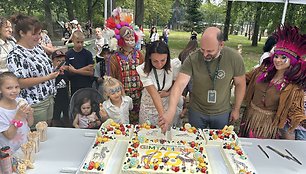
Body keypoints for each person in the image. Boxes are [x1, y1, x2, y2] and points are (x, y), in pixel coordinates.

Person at [159, 27, 246, 133]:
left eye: (210, 51)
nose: (205, 55)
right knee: (195, 142)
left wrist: (236, 109)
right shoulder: (193, 58)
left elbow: (240, 84)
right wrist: (171, 111)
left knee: (219, 141)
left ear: (221, 45)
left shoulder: (234, 58)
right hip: (197, 111)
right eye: (202, 49)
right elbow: (179, 85)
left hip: (222, 112)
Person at [239, 25, 306, 140]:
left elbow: (296, 111)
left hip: (268, 126)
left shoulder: (293, 87)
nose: (278, 60)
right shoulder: (261, 71)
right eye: (276, 56)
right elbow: (243, 79)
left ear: (293, 61)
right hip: (249, 118)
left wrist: (302, 121)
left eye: (283, 57)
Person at [7, 14, 58, 127]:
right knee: (37, 134)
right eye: (34, 34)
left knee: (46, 130)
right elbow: (20, 82)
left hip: (49, 97)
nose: (38, 37)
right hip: (35, 103)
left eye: (39, 33)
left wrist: (55, 70)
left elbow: (43, 69)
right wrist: (48, 77)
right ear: (22, 33)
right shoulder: (15, 55)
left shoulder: (37, 48)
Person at [106, 12, 144, 124]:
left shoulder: (140, 55)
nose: (131, 37)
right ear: (120, 39)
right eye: (127, 35)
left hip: (139, 96)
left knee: (137, 123)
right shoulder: (114, 58)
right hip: (122, 98)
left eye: (132, 35)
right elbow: (110, 79)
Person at [136, 41, 183, 126]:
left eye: (163, 60)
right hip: (149, 107)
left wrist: (168, 93)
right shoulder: (143, 69)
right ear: (149, 57)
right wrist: (163, 117)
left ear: (167, 57)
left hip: (167, 105)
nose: (159, 64)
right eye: (155, 61)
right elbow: (154, 94)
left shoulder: (174, 66)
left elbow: (177, 84)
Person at [0, 72, 34, 152]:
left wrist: (30, 114)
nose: (14, 90)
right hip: (11, 152)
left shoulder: (22, 101)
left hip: (26, 146)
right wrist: (18, 116)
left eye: (17, 87)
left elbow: (30, 124)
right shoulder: (1, 111)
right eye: (9, 88)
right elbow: (9, 135)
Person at [65, 30, 94, 95]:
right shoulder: (68, 54)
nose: (80, 44)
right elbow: (68, 71)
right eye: (78, 42)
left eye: (82, 42)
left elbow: (91, 72)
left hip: (87, 85)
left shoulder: (88, 54)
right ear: (73, 40)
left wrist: (75, 71)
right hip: (75, 86)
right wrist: (85, 68)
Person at [178, 39, 198, 118]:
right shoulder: (193, 54)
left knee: (183, 94)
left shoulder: (183, 52)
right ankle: (191, 109)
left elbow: (179, 59)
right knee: (192, 95)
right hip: (191, 76)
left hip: (182, 75)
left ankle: (183, 109)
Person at [51, 50, 70, 127]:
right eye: (58, 61)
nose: (60, 63)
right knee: (55, 118)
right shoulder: (50, 73)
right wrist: (57, 74)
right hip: (55, 100)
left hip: (65, 98)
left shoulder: (66, 72)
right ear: (53, 61)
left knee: (67, 117)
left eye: (62, 61)